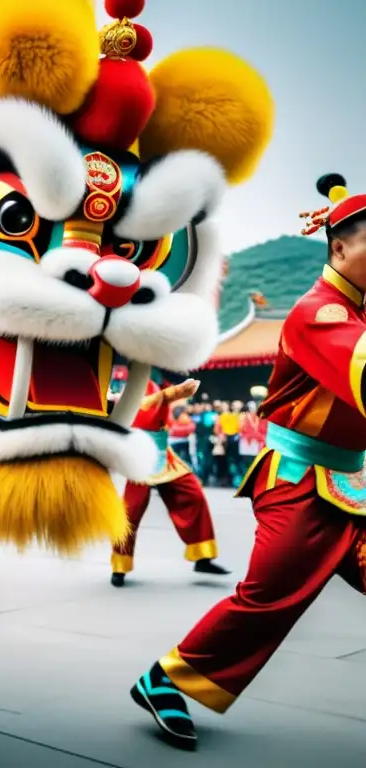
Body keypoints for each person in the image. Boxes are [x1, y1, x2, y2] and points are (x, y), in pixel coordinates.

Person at [131, 173, 366, 750]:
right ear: (340, 247)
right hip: (301, 484)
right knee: (269, 599)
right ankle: (164, 679)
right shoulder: (320, 314)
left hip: (349, 482)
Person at [110, 374, 230, 586]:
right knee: (131, 511)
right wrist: (172, 394)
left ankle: (202, 556)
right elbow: (145, 404)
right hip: (142, 455)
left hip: (164, 454)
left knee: (193, 495)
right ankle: (120, 566)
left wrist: (173, 393)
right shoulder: (139, 380)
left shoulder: (162, 380)